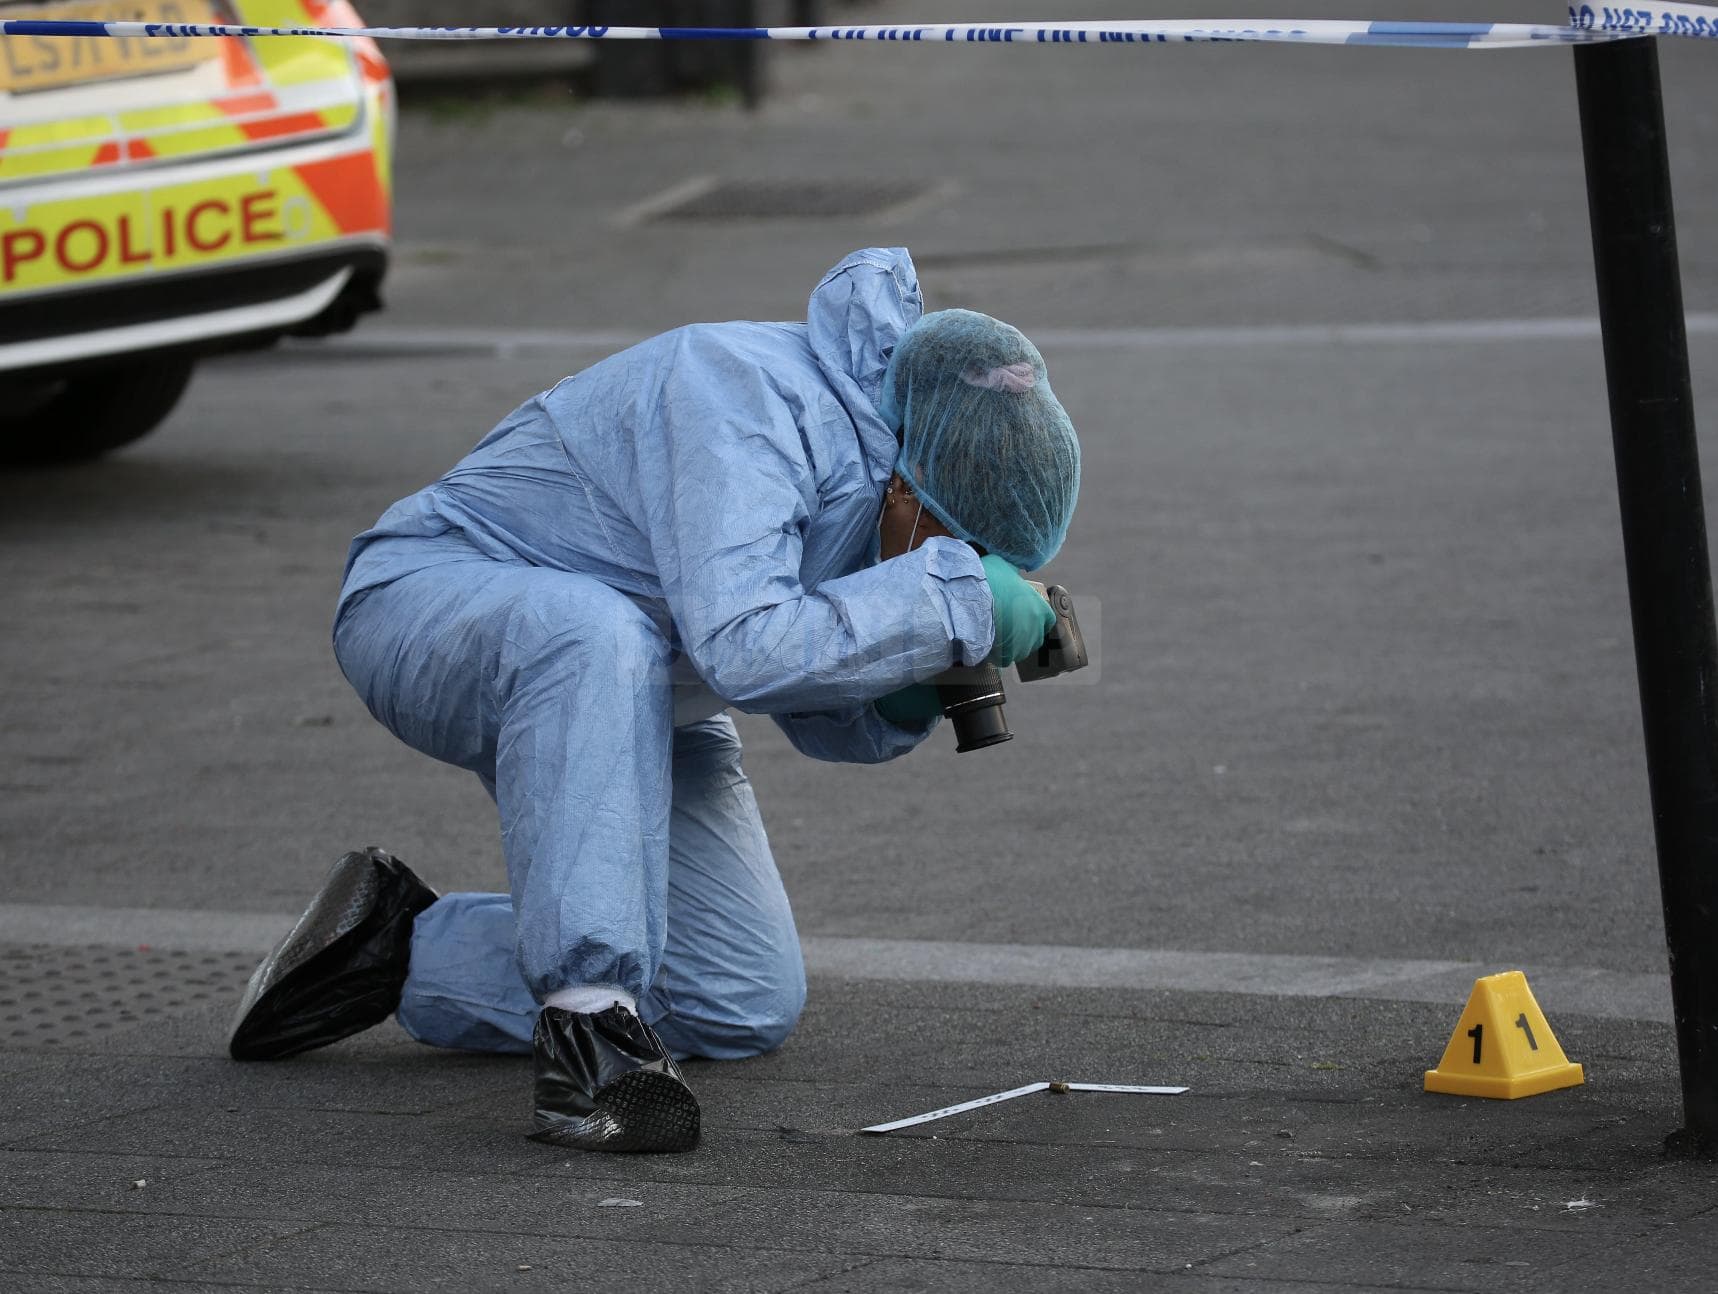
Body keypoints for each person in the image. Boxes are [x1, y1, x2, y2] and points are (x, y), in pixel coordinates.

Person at [226, 247, 1081, 1155]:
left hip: (634, 687)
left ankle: (389, 945)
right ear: (914, 484)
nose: (952, 564)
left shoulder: (890, 471)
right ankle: (587, 1037)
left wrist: (908, 691)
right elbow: (748, 647)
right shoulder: (742, 393)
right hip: (429, 604)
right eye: (958, 543)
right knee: (598, 634)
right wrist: (953, 602)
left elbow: (815, 707)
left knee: (742, 997)